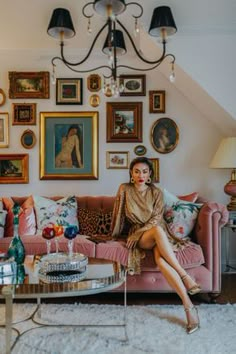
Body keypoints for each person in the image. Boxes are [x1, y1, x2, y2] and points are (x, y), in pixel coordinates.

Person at [111, 156, 200, 334]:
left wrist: (144, 230)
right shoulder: (125, 189)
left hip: (158, 231)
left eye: (144, 171)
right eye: (137, 171)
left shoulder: (156, 192)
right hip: (142, 235)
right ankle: (185, 276)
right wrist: (117, 235)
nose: (140, 175)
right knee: (158, 231)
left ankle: (189, 308)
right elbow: (118, 213)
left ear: (150, 173)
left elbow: (157, 218)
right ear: (131, 173)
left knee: (161, 261)